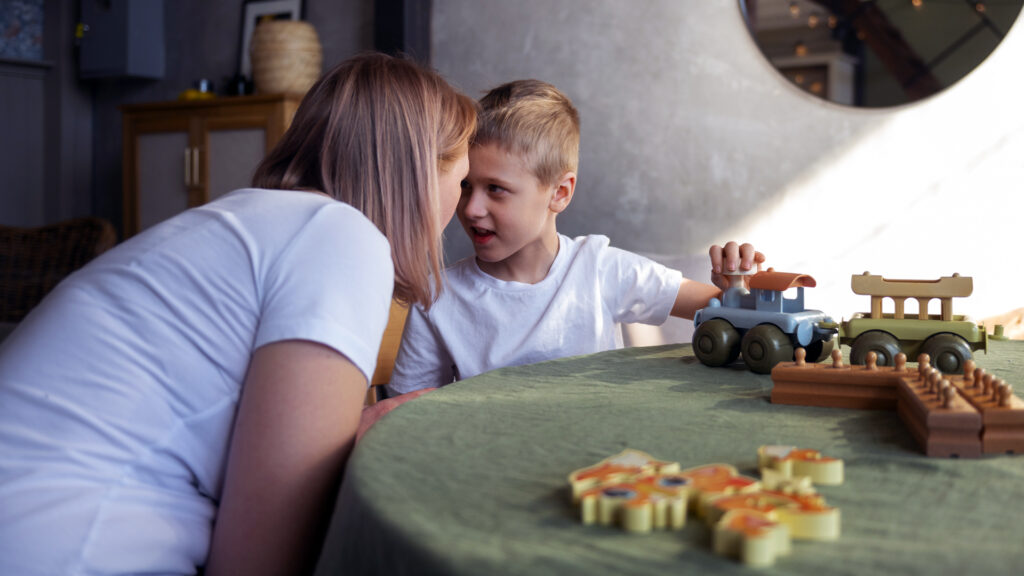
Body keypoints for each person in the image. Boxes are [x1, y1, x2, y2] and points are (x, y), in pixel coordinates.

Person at [0, 53, 476, 576]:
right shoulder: (341, 237)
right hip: (60, 543)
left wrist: (348, 428)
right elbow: (258, 560)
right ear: (416, 173)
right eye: (462, 181)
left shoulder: (243, 220)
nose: (465, 206)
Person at [387, 79, 762, 396]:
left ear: (559, 193)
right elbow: (407, 413)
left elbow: (730, 312)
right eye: (466, 185)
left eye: (496, 189)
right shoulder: (436, 297)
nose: (471, 209)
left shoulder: (599, 268)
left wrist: (734, 285)